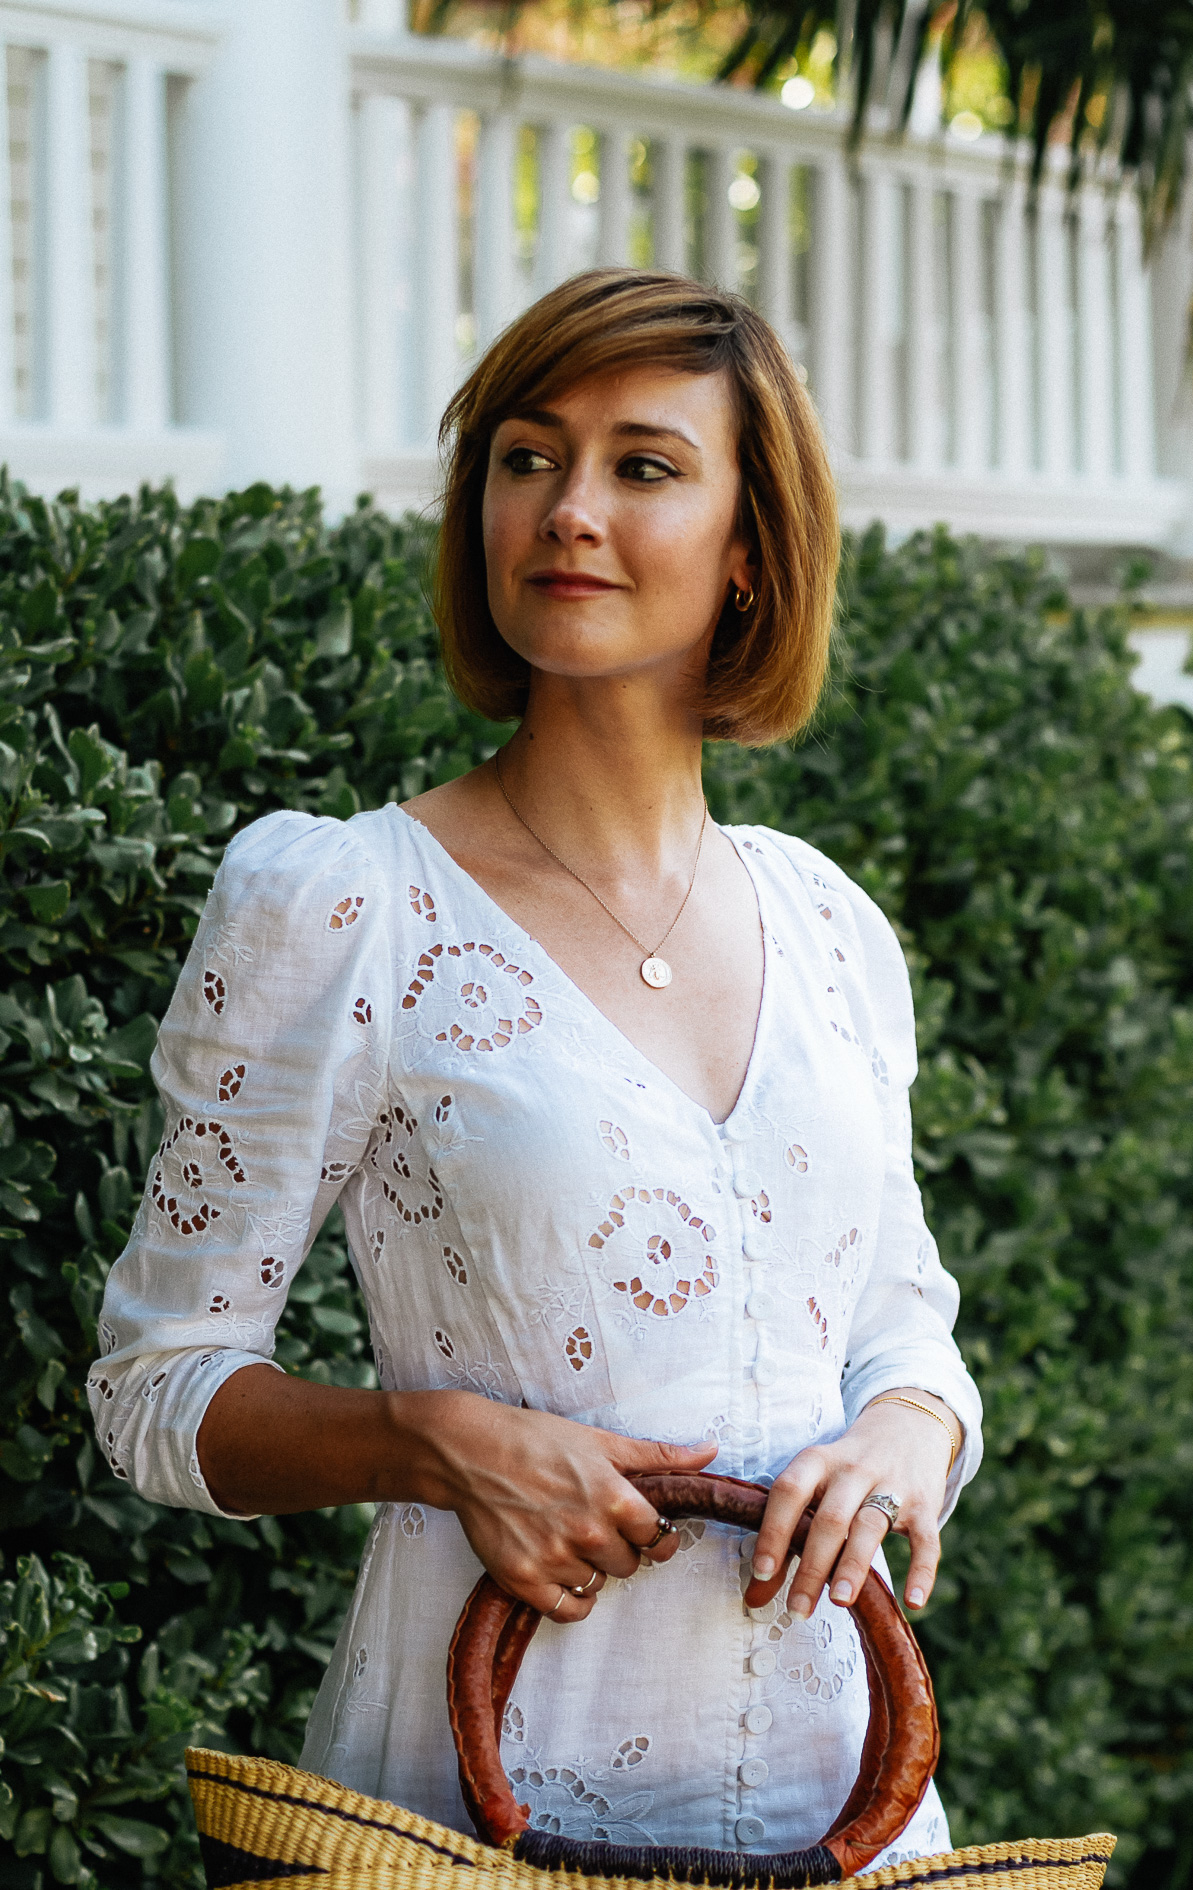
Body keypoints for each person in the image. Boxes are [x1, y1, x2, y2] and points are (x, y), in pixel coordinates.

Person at [89, 268, 982, 1863]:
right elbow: (155, 1390)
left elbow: (901, 1318)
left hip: (848, 1811)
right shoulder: (347, 905)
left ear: (751, 551)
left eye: (643, 467)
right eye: (525, 456)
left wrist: (909, 1434)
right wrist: (427, 1437)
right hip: (470, 1816)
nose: (568, 509)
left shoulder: (833, 928)